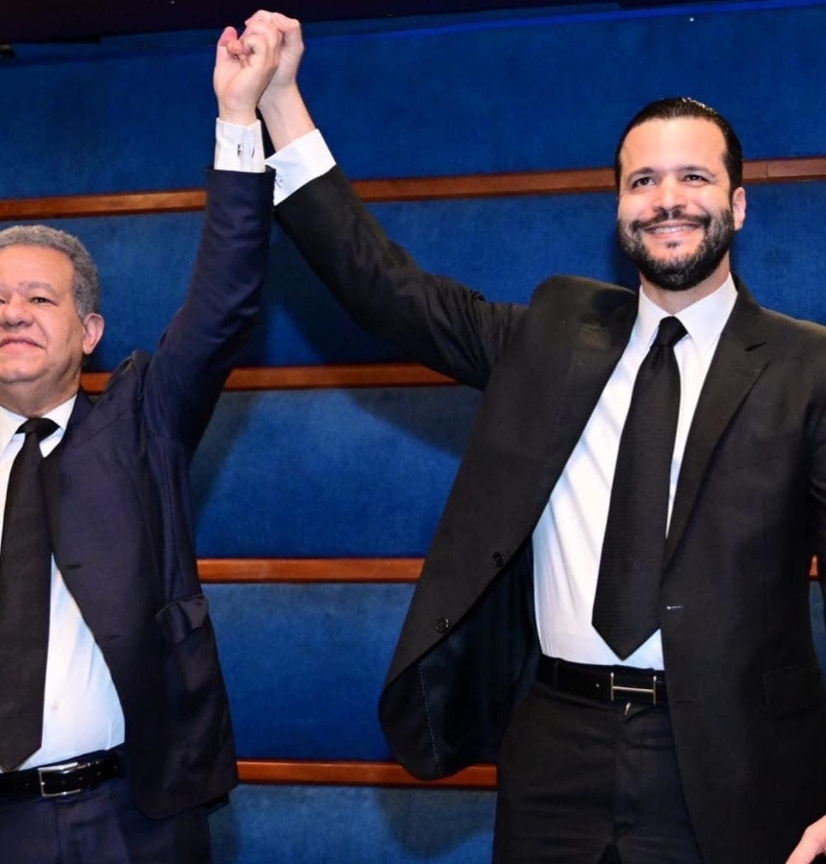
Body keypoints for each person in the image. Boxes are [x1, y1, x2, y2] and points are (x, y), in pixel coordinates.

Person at [223, 11, 826, 864]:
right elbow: (384, 289)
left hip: (734, 761)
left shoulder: (808, 366)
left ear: (736, 203)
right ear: (619, 209)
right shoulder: (551, 331)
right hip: (552, 746)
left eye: (692, 177)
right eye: (641, 181)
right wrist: (280, 101)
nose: (666, 200)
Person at [0, 21, 283, 864]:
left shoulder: (141, 433)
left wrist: (239, 117)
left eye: (40, 299)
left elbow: (225, 300)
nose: (13, 313)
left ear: (89, 332)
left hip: (125, 824)